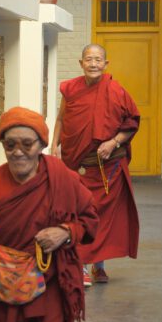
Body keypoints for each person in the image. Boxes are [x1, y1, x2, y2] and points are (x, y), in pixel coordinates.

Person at [0, 106, 99, 322]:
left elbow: (90, 220)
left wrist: (65, 232)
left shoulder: (61, 178)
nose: (17, 152)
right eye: (10, 145)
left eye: (27, 144)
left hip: (47, 290)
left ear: (41, 145)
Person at [51, 44, 140, 286]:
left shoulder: (115, 90)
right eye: (89, 59)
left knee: (105, 217)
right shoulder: (70, 89)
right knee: (80, 214)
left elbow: (131, 122)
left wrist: (113, 142)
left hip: (108, 167)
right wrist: (54, 145)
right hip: (77, 164)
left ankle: (96, 265)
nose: (93, 64)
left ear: (106, 64)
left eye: (98, 59)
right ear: (80, 63)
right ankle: (83, 265)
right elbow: (61, 119)